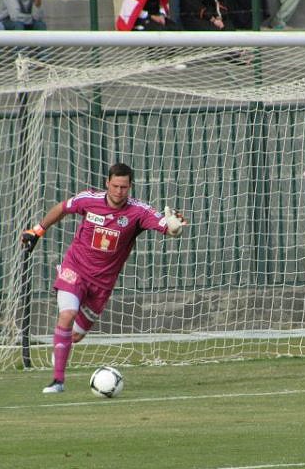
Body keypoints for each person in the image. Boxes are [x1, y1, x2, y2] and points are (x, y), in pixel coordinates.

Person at [20, 162, 188, 394]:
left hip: (102, 284)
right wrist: (37, 230)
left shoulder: (138, 211)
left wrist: (175, 226)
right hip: (75, 269)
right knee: (67, 315)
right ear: (107, 183)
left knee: (76, 335)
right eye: (116, 186)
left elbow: (166, 226)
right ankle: (58, 381)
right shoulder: (88, 200)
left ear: (131, 187)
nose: (119, 191)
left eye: (124, 187)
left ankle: (62, 345)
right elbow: (62, 208)